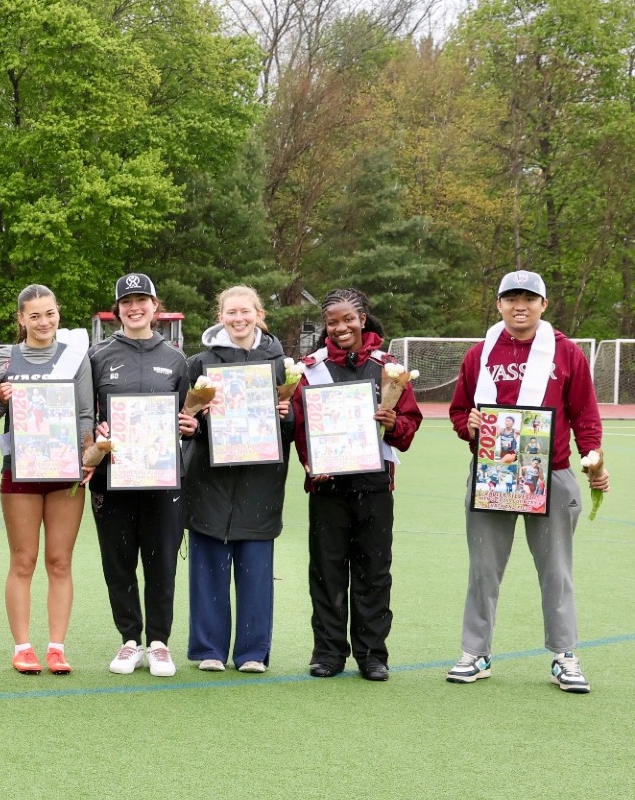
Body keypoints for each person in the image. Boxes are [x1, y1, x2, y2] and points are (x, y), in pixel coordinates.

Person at [447, 270, 606, 693]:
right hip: (492, 473)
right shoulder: (480, 354)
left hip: (549, 474)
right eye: (511, 298)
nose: (521, 305)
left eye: (529, 298)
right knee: (484, 569)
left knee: (556, 571)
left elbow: (585, 414)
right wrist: (471, 425)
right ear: (498, 304)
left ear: (543, 304)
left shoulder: (566, 353)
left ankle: (564, 655)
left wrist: (592, 459)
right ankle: (475, 652)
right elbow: (460, 411)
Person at [288, 287, 422, 680]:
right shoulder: (308, 369)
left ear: (363, 319)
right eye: (333, 322)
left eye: (349, 319)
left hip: (375, 485)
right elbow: (299, 427)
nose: (341, 327)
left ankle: (372, 655)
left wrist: (393, 424)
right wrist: (312, 464)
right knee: (327, 571)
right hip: (328, 488)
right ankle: (328, 653)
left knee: (374, 572)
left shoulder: (390, 368)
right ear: (326, 325)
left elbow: (409, 427)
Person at [183, 286, 293, 673]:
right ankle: (208, 649)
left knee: (256, 572)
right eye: (231, 312)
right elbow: (186, 422)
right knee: (208, 568)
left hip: (260, 484)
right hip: (209, 481)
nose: (238, 318)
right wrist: (194, 423)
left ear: (259, 314)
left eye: (245, 311)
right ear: (221, 316)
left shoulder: (282, 365)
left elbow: (297, 426)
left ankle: (252, 652)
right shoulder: (198, 363)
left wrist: (287, 415)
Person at [0, 284, 93, 675]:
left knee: (59, 561)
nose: (43, 322)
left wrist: (86, 457)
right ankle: (23, 647)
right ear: (21, 319)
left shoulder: (76, 358)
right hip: (20, 471)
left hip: (66, 473)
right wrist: (0, 398)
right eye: (34, 315)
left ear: (58, 314)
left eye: (49, 313)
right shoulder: (3, 358)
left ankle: (57, 647)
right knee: (24, 559)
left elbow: (84, 414)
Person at [90, 273, 194, 677]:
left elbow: (190, 417)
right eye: (127, 302)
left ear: (156, 306)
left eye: (143, 300)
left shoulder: (176, 358)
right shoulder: (98, 357)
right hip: (112, 479)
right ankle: (129, 639)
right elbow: (88, 415)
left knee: (161, 560)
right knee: (118, 560)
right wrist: (95, 431)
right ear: (117, 310)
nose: (135, 308)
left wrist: (191, 427)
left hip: (162, 479)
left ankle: (159, 642)